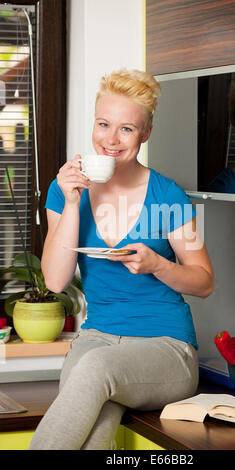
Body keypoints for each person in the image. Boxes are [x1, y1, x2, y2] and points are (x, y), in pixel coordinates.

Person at [29, 69, 214, 450]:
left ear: (145, 133)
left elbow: (204, 281)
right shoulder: (64, 190)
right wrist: (72, 201)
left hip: (166, 347)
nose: (111, 140)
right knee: (95, 432)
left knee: (93, 369)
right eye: (103, 124)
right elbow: (54, 282)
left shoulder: (169, 197)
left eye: (127, 129)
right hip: (98, 339)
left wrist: (157, 265)